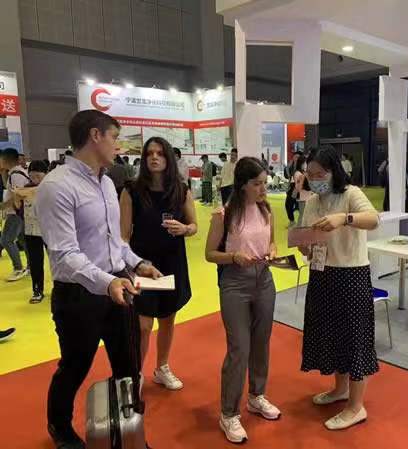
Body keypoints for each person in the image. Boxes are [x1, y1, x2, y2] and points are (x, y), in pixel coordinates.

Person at [35, 109, 161, 449]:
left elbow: (114, 241)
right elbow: (65, 254)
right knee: (75, 365)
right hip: (79, 294)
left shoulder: (106, 182)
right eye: (115, 137)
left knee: (128, 366)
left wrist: (138, 263)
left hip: (118, 286)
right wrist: (107, 281)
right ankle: (60, 427)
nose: (118, 145)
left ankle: (129, 434)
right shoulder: (56, 187)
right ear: (95, 136)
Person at [299, 145, 379, 431]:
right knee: (332, 335)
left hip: (351, 274)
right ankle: (340, 389)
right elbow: (308, 238)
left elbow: (373, 220)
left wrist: (344, 219)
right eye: (310, 174)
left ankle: (356, 407)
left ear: (334, 171)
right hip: (322, 273)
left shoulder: (351, 194)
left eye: (320, 174)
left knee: (355, 339)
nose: (314, 179)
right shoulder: (312, 201)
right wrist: (305, 246)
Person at [205, 157, 280, 444]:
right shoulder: (224, 215)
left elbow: (272, 241)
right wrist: (234, 256)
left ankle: (257, 396)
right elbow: (210, 254)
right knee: (239, 347)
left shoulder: (266, 209)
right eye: (257, 184)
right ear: (243, 185)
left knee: (261, 341)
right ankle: (228, 413)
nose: (263, 189)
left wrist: (272, 251)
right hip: (235, 283)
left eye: (264, 183)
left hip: (264, 280)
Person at [120, 137, 196, 391]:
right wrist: (129, 266)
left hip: (172, 261)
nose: (154, 157)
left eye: (160, 153)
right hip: (143, 263)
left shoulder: (181, 190)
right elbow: (123, 235)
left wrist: (184, 228)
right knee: (143, 325)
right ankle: (135, 373)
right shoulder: (131, 191)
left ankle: (162, 367)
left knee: (167, 317)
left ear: (168, 158)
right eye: (150, 153)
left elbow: (194, 226)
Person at [16, 160, 48, 303]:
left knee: (57, 262)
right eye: (32, 176)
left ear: (46, 174)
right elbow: (19, 209)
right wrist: (17, 199)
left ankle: (61, 289)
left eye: (38, 176)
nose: (35, 179)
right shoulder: (25, 189)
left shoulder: (51, 187)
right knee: (35, 262)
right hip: (31, 231)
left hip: (50, 230)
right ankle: (37, 290)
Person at [0, 147, 29, 281]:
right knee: (23, 240)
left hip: (16, 213)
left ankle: (18, 268)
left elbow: (19, 196)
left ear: (5, 159)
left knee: (6, 240)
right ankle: (30, 266)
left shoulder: (16, 174)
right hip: (19, 213)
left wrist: (3, 206)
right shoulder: (14, 173)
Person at [284, 151, 302, 226]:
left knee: (302, 207)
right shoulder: (290, 166)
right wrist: (287, 168)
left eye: (298, 157)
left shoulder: (303, 167)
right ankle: (292, 221)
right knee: (288, 205)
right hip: (292, 187)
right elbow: (287, 176)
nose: (296, 158)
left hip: (301, 189)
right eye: (295, 157)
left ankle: (301, 223)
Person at [293, 155, 311, 225]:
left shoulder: (304, 172)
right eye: (304, 163)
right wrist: (303, 178)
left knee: (306, 216)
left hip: (308, 196)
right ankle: (299, 229)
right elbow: (298, 187)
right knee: (302, 216)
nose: (305, 165)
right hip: (302, 198)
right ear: (300, 163)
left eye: (306, 163)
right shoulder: (298, 173)